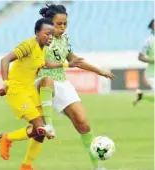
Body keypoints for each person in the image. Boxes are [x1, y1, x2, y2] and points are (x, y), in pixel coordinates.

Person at [36, 4, 115, 170]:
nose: (63, 27)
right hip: (42, 81)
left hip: (62, 83)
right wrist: (66, 63)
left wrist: (99, 71)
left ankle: (97, 166)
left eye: (65, 23)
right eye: (59, 24)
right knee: (47, 81)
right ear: (50, 23)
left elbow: (75, 60)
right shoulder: (42, 39)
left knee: (83, 124)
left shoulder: (65, 39)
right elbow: (42, 63)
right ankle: (48, 124)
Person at [0, 18, 55, 170]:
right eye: (47, 34)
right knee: (40, 128)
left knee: (41, 132)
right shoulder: (28, 45)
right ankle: (7, 138)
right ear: (37, 32)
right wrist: (6, 83)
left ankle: (26, 166)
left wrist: (68, 64)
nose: (50, 37)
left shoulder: (43, 50)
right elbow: (5, 60)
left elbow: (41, 66)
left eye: (52, 35)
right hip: (17, 90)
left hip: (30, 91)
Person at [133, 19, 154, 105]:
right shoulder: (148, 41)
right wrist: (153, 60)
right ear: (152, 27)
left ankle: (142, 96)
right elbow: (140, 57)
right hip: (152, 74)